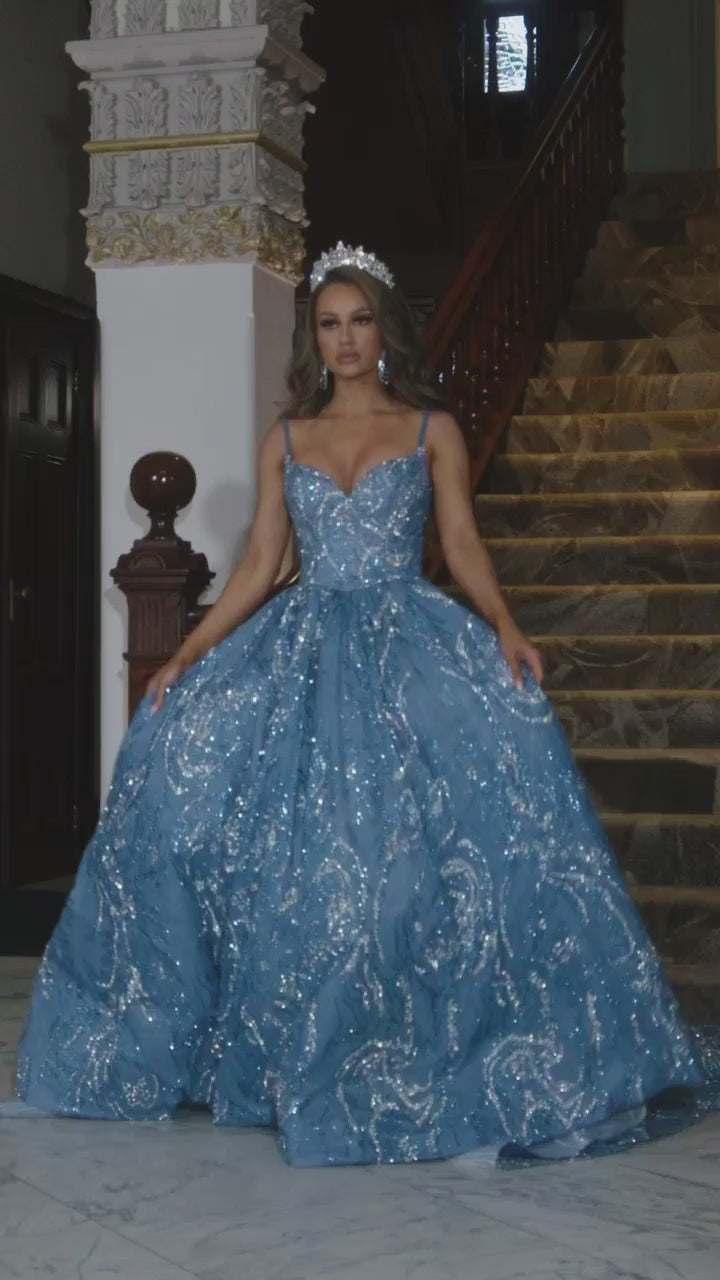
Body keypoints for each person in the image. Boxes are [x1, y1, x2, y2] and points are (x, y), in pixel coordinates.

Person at [8, 243, 718, 1167]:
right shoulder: (287, 438)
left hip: (407, 644)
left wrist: (505, 625)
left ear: (385, 330)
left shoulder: (430, 429)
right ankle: (268, 1047)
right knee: (241, 823)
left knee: (414, 856)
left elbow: (461, 541)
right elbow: (260, 566)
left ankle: (407, 1042)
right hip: (303, 650)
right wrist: (182, 655)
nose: (344, 339)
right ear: (315, 337)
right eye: (328, 324)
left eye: (360, 321)